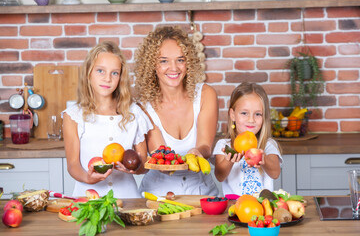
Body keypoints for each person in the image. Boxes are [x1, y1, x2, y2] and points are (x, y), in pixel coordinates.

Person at [134, 26, 219, 196]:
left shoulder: (205, 94)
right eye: (164, 61)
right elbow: (162, 155)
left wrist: (198, 152)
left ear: (189, 62)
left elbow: (205, 146)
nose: (174, 68)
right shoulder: (143, 106)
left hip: (202, 193)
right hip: (158, 196)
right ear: (152, 65)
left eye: (180, 60)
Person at [62, 41, 153, 198]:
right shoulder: (74, 115)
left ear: (120, 78)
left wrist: (135, 169)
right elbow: (73, 165)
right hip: (88, 200)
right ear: (88, 73)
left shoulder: (133, 112)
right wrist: (87, 178)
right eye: (100, 71)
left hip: (128, 200)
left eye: (114, 73)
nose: (107, 79)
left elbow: (144, 162)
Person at [213, 82, 282, 196]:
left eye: (258, 114)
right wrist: (229, 160)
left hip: (261, 207)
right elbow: (220, 176)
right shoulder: (224, 145)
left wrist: (263, 159)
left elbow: (275, 173)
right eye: (244, 113)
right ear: (233, 114)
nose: (251, 120)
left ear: (264, 117)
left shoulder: (268, 145)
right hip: (234, 206)